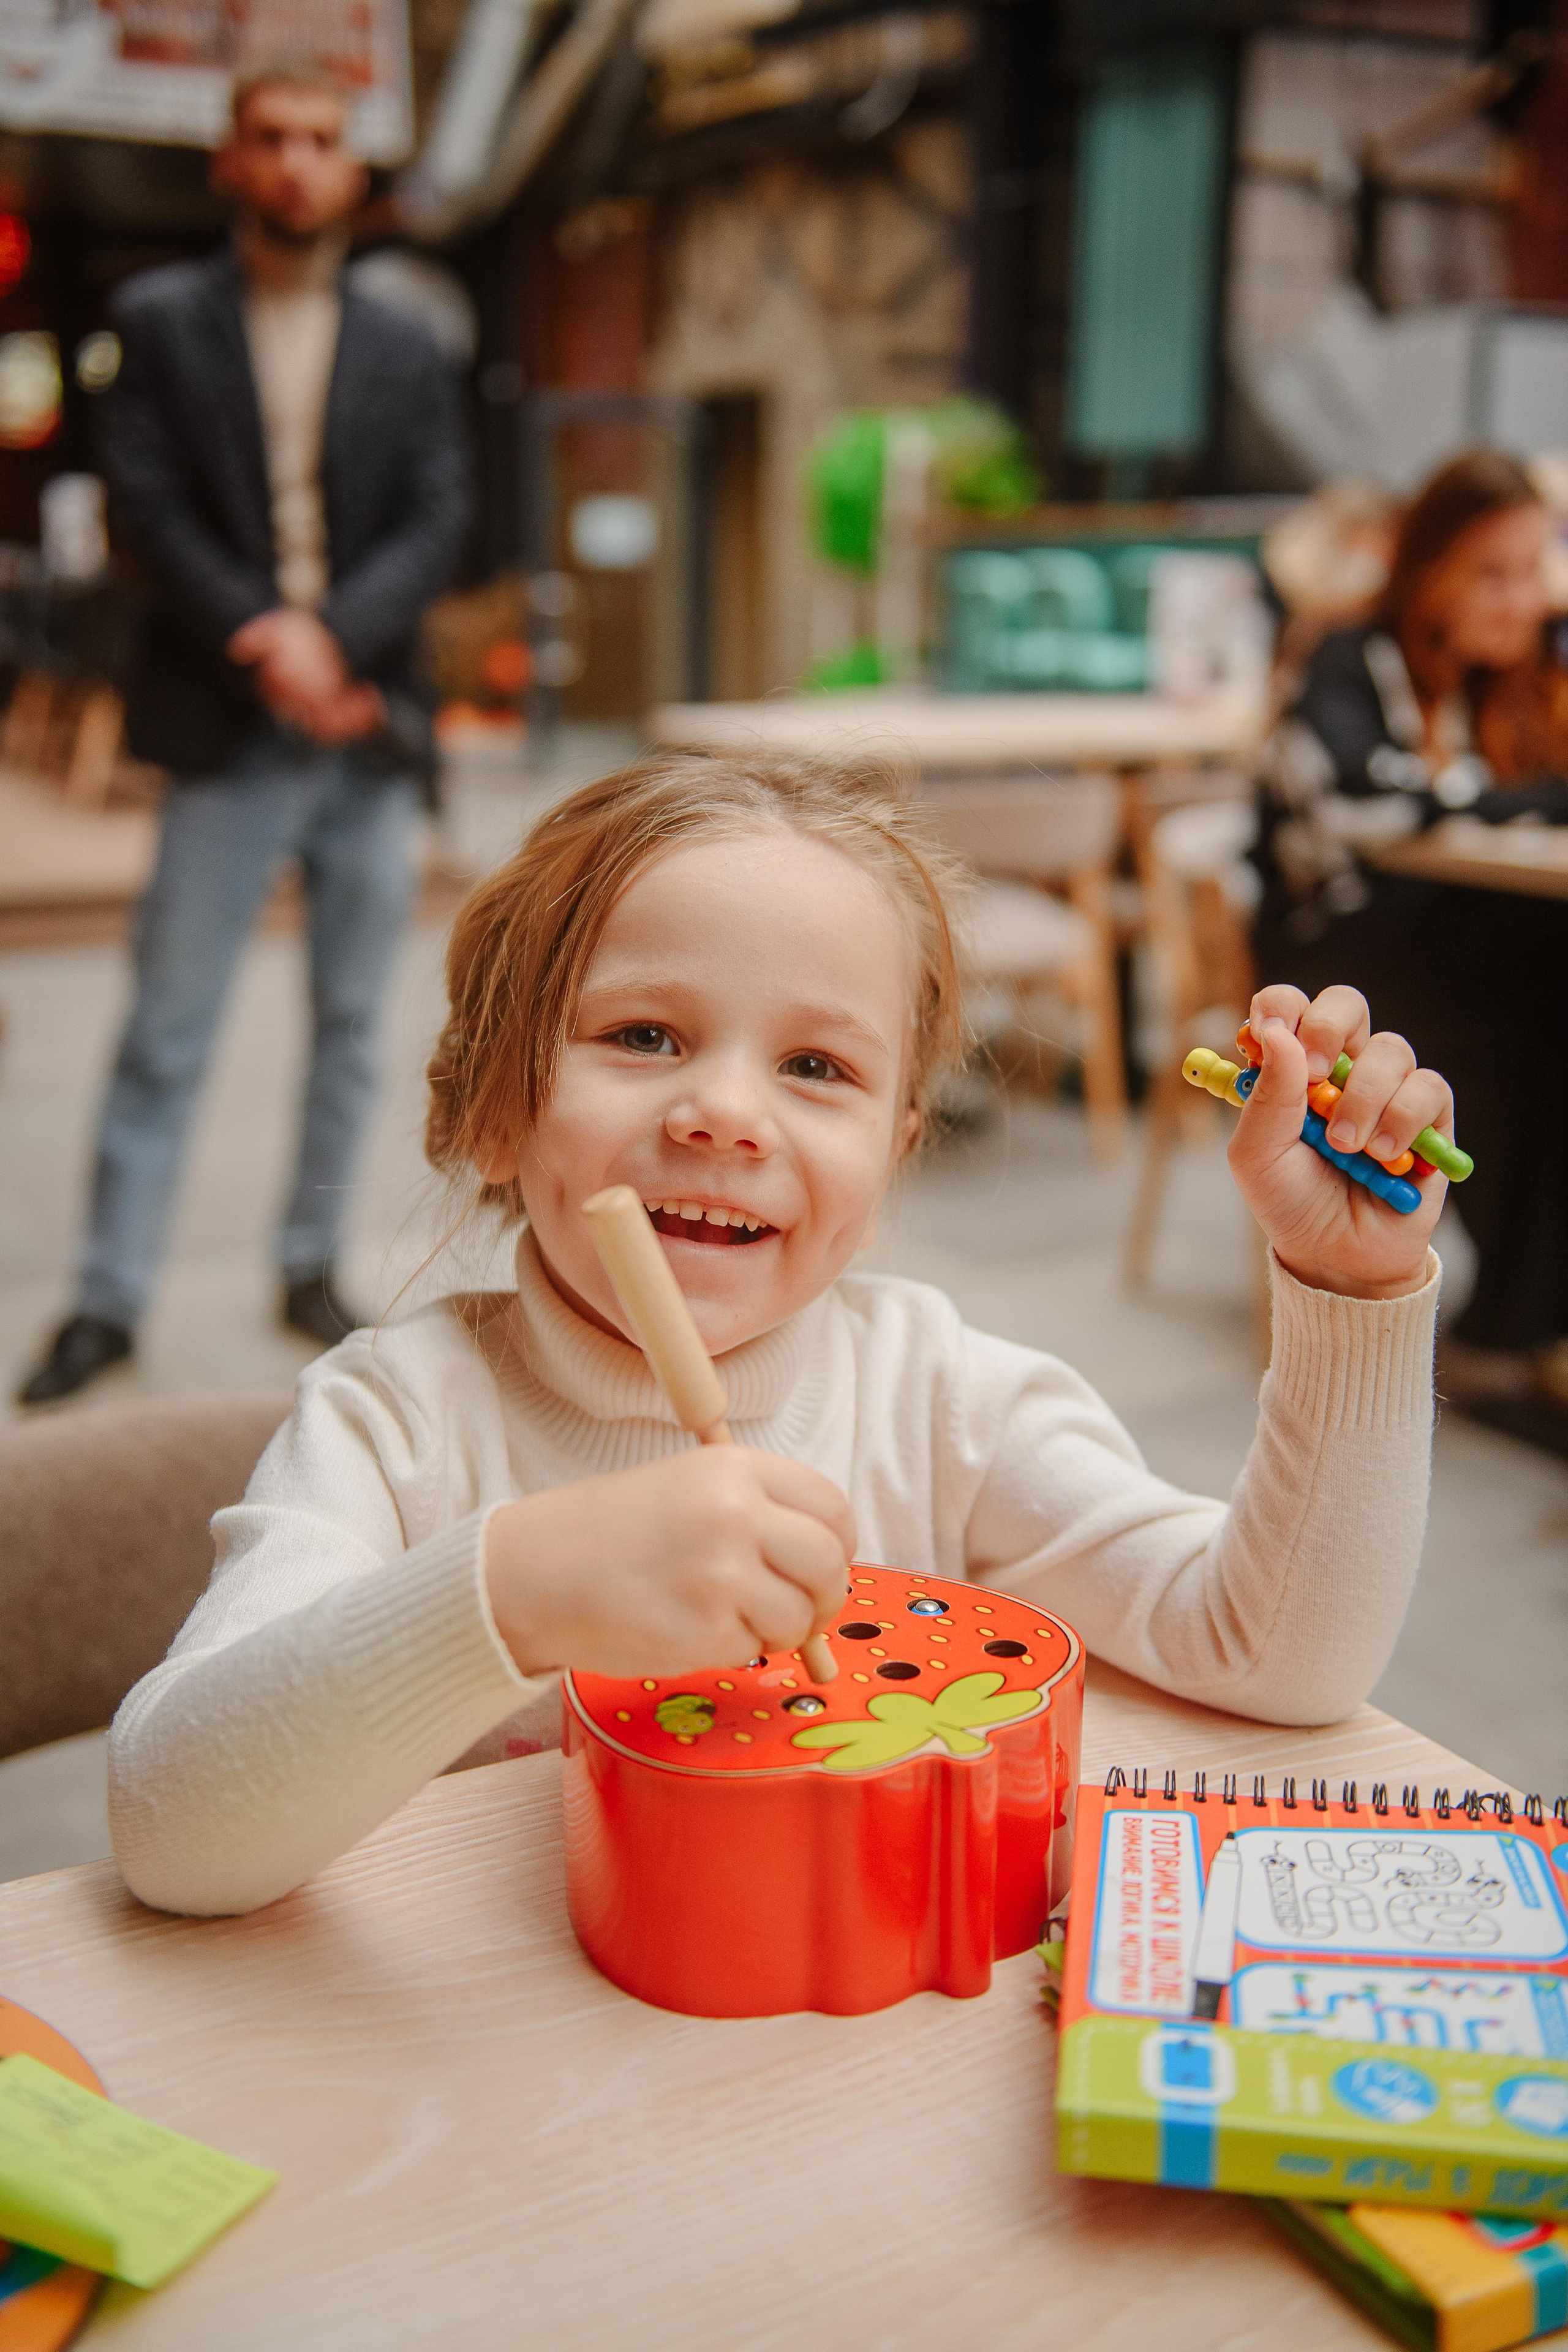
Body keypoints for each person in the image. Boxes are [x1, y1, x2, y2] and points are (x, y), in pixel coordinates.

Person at [107, 752, 1451, 1918]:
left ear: (892, 1158)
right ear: (497, 1112)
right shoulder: (393, 1422)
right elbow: (172, 1833)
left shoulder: (942, 1399)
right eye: (644, 1035)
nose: (726, 1115)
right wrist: (511, 1593)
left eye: (816, 1068)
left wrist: (1350, 1292)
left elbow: (1276, 1657)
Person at [18, 62, 471, 1406]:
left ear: (351, 169)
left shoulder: (406, 340)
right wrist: (271, 637)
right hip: (226, 728)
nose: (295, 163)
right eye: (270, 137)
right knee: (168, 1028)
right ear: (229, 159)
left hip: (367, 729)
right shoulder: (160, 318)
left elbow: (438, 517)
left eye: (321, 140)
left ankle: (307, 1265)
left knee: (353, 1026)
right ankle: (108, 1299)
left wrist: (332, 642)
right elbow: (144, 506)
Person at [1252, 448, 1568, 1436]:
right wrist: (1517, 797)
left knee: (1545, 993)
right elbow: (1364, 804)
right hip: (1332, 948)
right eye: (1491, 573)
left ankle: (1525, 1317)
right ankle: (1512, 1327)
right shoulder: (1351, 656)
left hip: (1467, 934)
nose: (1520, 599)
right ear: (1427, 569)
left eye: (1534, 570)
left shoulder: (1517, 681)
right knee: (1538, 1007)